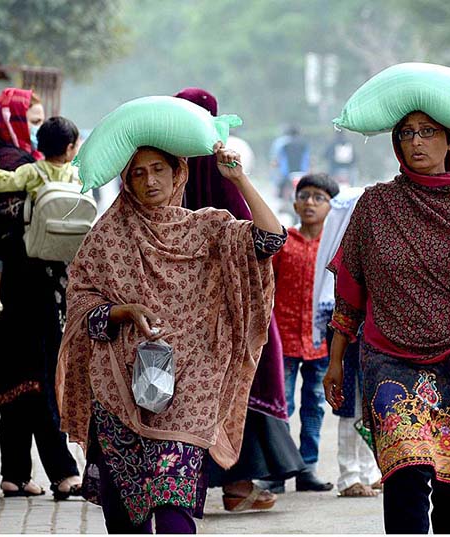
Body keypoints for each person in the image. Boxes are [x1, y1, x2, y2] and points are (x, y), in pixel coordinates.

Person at [56, 139, 287, 533]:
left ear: (178, 171)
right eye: (138, 173)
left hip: (192, 382)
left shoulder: (208, 228)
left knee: (172, 495)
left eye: (159, 169)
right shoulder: (107, 237)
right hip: (120, 386)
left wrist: (238, 178)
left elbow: (270, 240)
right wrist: (123, 312)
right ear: (126, 180)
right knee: (124, 510)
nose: (150, 181)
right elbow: (79, 307)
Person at [323, 111, 450, 533]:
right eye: (405, 134)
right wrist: (336, 360)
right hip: (389, 362)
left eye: (427, 132)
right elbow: (351, 291)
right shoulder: (376, 204)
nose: (416, 142)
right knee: (404, 475)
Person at [174, 87, 305, 512]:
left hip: (176, 305)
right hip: (230, 305)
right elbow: (262, 239)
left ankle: (182, 490)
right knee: (240, 383)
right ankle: (238, 485)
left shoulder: (160, 165)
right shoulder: (218, 166)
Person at [0, 88, 81, 500]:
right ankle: (64, 473)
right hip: (30, 290)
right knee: (39, 382)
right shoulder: (21, 165)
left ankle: (14, 473)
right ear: (11, 120)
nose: (37, 131)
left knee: (14, 381)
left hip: (0, 290)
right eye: (31, 121)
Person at [264, 173, 339, 494]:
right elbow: (266, 286)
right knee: (281, 406)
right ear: (294, 203)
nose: (310, 203)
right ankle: (278, 469)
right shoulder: (283, 243)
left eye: (319, 198)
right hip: (283, 340)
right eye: (305, 196)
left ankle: (307, 467)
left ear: (332, 208)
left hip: (321, 343)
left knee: (314, 405)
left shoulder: (335, 248)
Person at [0, 116, 81, 323]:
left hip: (36, 242)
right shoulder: (76, 174)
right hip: (68, 245)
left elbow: (3, 182)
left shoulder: (33, 171)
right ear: (70, 148)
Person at [312, 186, 381, 498]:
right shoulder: (336, 278)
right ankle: (349, 475)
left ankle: (371, 472)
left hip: (375, 340)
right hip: (351, 341)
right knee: (350, 408)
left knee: (375, 407)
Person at [272, 125, 311, 201]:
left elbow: (280, 160)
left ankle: (285, 203)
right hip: (302, 172)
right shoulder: (304, 145)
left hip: (288, 174)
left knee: (282, 190)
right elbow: (307, 159)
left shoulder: (284, 146)